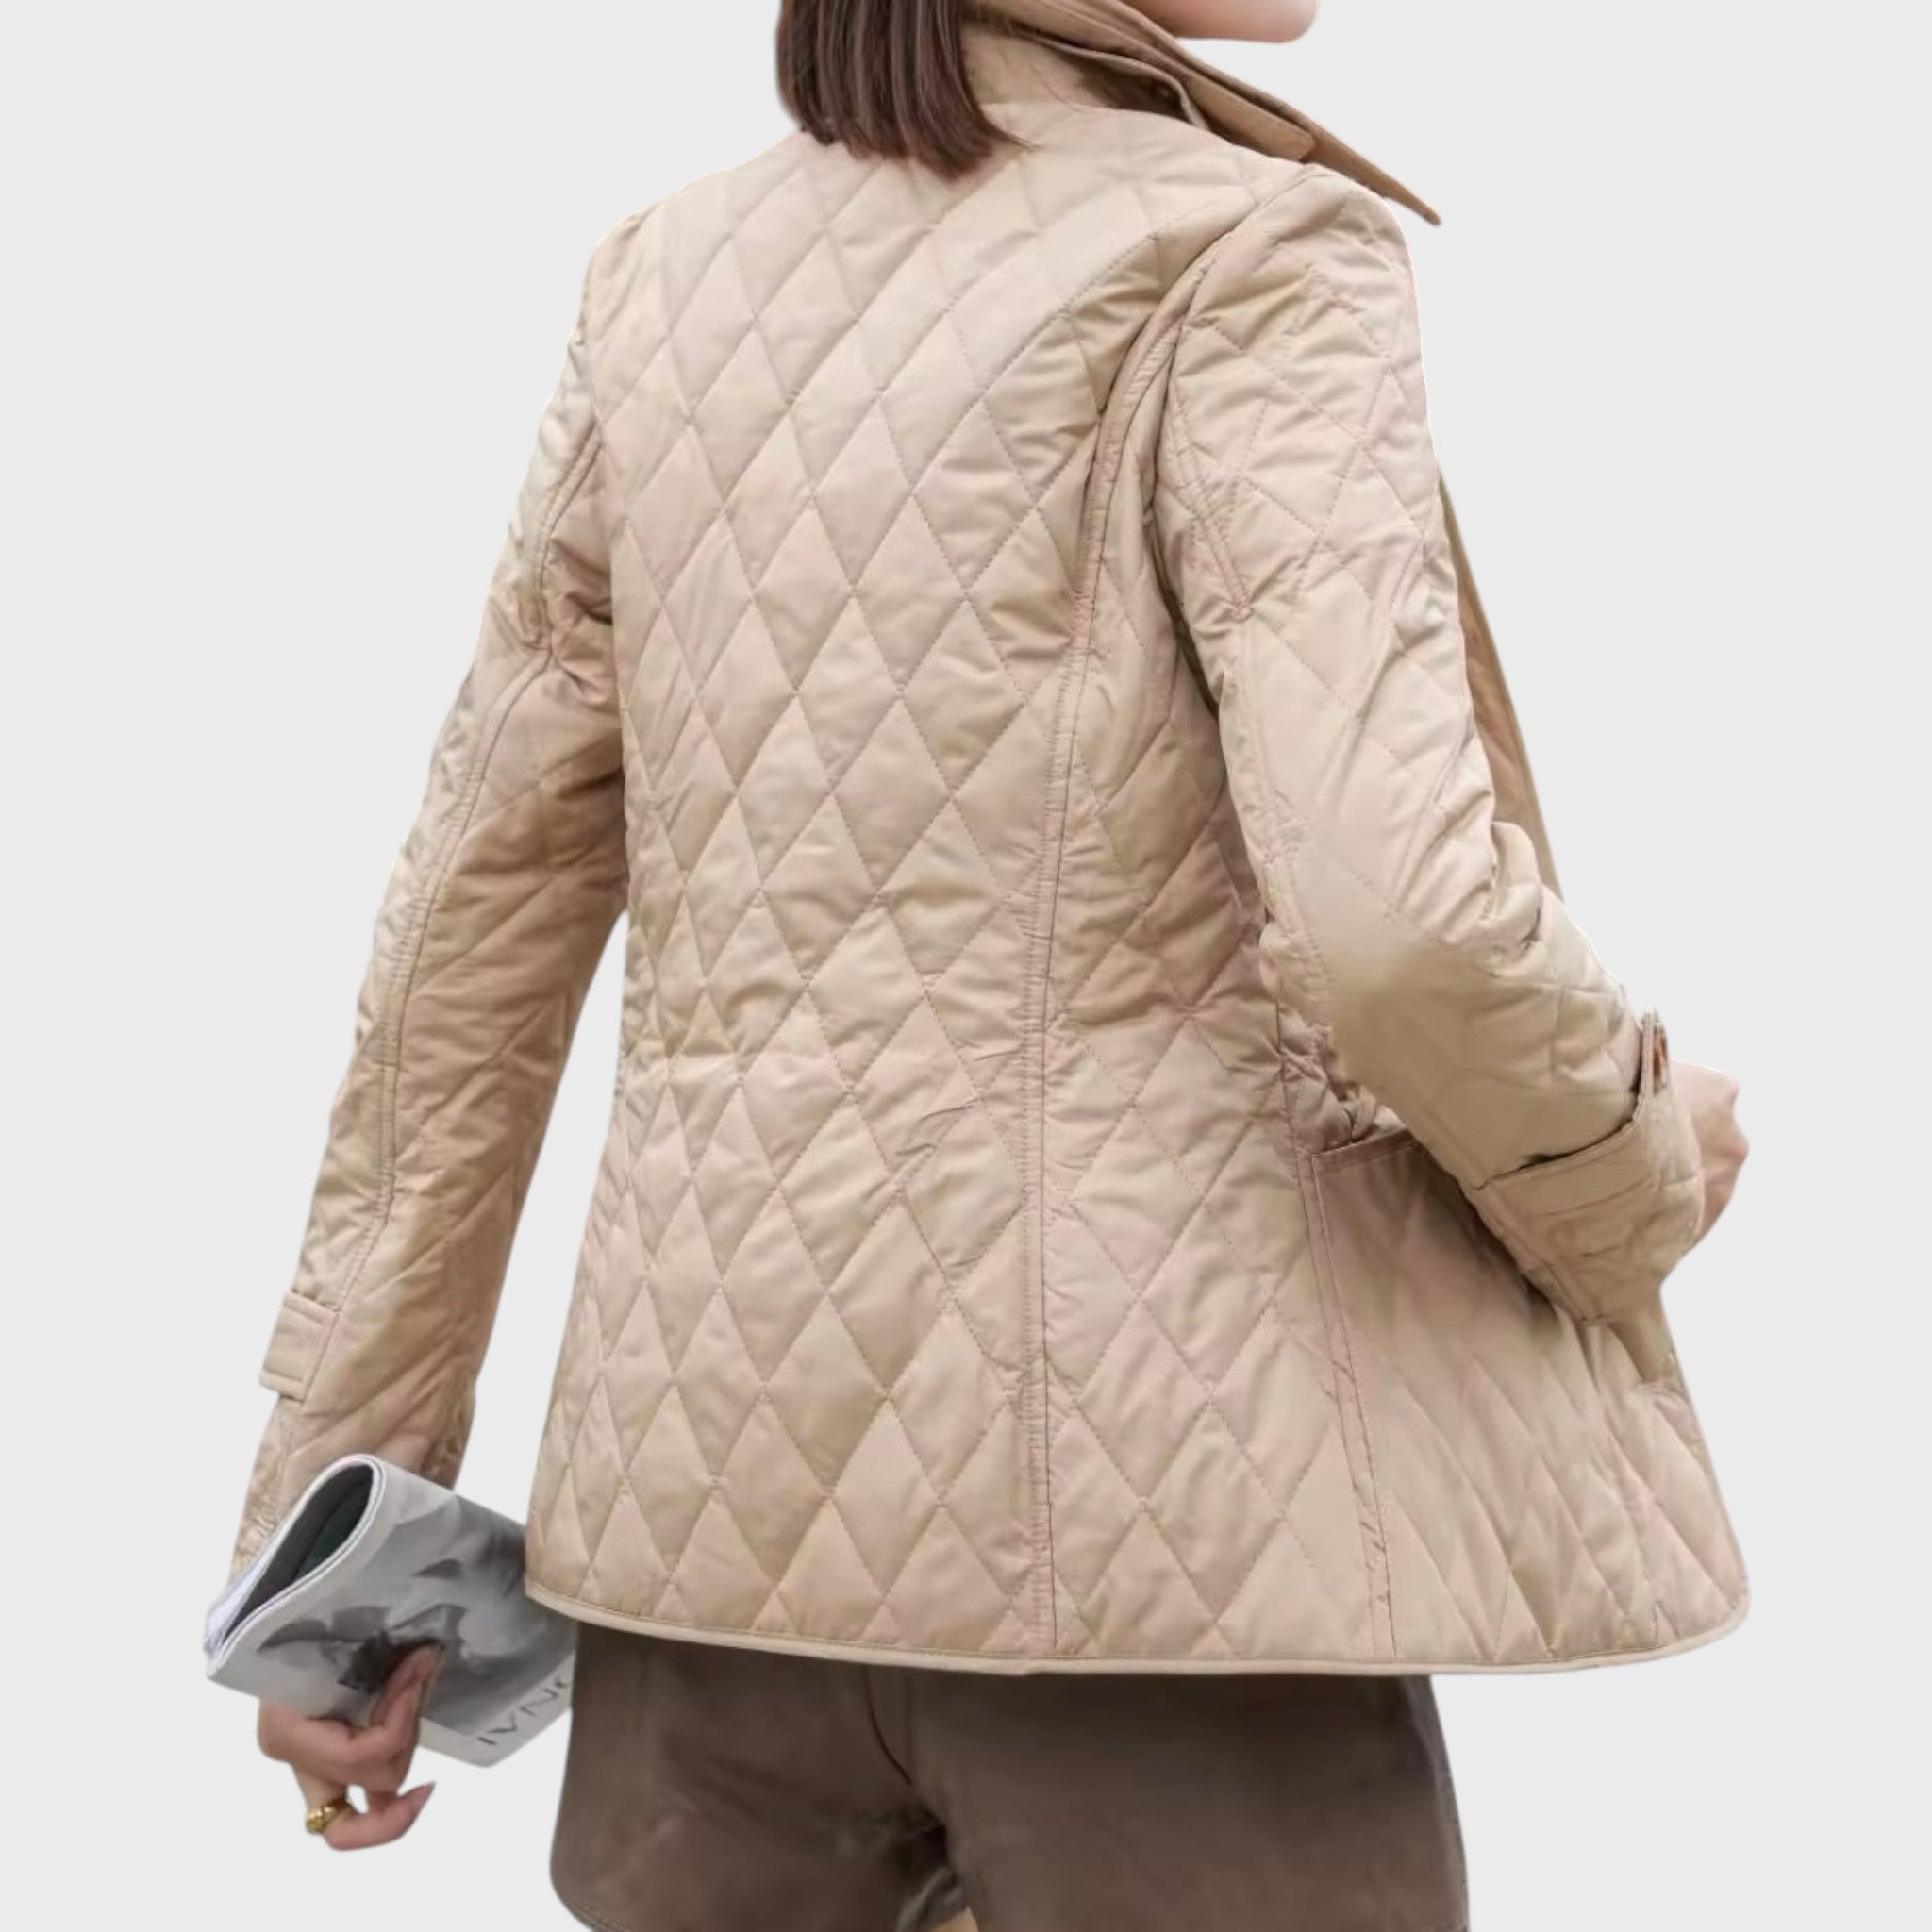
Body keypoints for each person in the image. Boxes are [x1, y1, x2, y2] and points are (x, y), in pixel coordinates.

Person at [228, 1, 1753, 1924]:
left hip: (707, 1595)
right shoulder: (1249, 253)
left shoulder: (662, 284)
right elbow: (1399, 919)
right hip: (1163, 1585)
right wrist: (1627, 1165)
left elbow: (468, 948)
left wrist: (326, 1560)